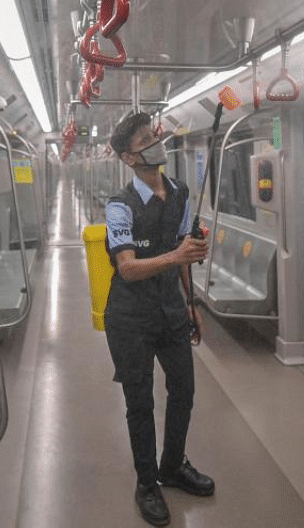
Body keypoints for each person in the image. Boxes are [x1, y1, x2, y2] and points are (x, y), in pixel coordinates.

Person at [103, 111, 214, 527]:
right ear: (130, 159)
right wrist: (177, 256)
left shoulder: (181, 192)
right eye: (145, 140)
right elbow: (128, 268)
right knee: (140, 403)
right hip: (129, 318)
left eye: (155, 135)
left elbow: (184, 249)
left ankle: (173, 466)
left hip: (170, 310)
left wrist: (191, 305)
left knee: (183, 390)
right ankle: (147, 483)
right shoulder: (119, 206)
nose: (155, 143)